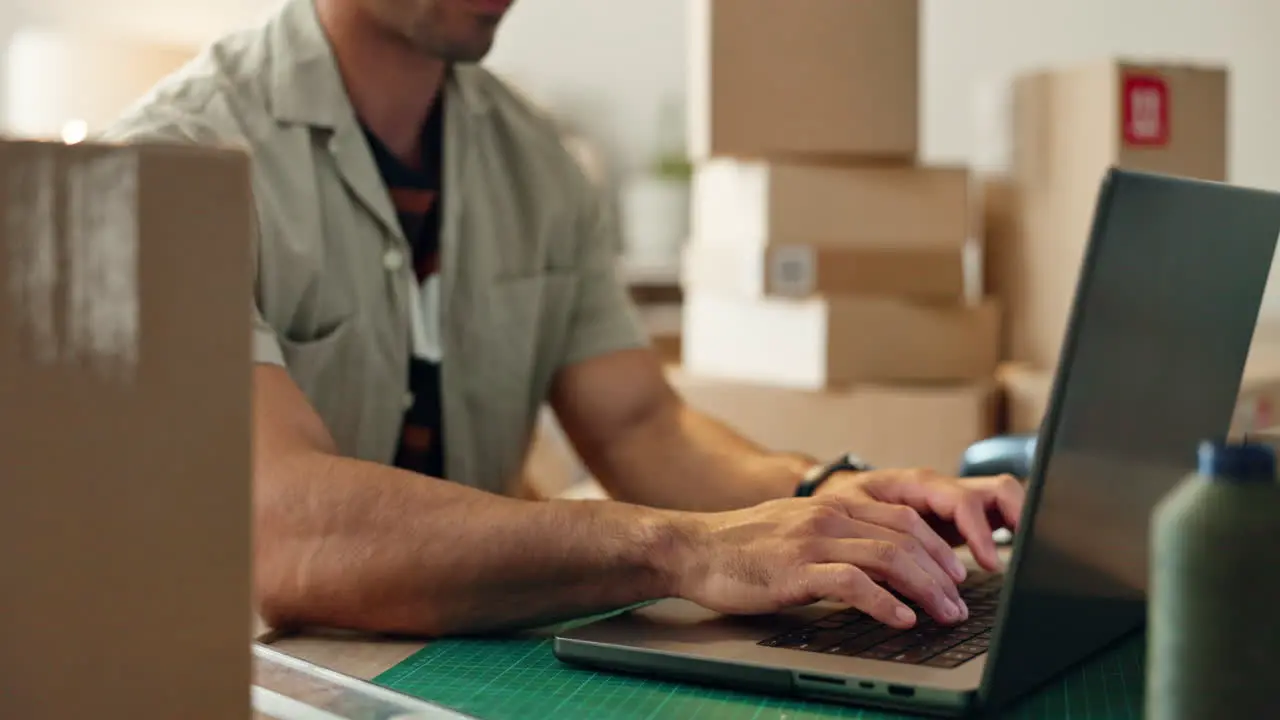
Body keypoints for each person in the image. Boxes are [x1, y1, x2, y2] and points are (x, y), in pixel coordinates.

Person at [105, 0, 1024, 638]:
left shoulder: (538, 162)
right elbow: (281, 528)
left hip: (460, 658)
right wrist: (680, 547)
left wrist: (825, 497)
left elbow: (641, 424)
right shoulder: (168, 165)